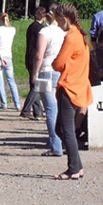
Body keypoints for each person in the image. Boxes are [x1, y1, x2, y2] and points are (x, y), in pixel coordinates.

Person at [51, 3, 92, 180]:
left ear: (65, 20)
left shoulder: (71, 37)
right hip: (79, 86)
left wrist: (56, 63)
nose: (58, 25)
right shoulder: (82, 35)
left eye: (59, 22)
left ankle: (73, 168)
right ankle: (77, 165)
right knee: (61, 129)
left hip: (68, 87)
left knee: (65, 130)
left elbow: (58, 64)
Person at [32, 8, 66, 157]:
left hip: (46, 70)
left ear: (47, 17)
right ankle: (59, 141)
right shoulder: (64, 33)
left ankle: (56, 145)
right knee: (58, 108)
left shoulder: (44, 32)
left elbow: (39, 55)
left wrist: (34, 74)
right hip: (60, 71)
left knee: (51, 110)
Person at [20, 6, 48, 118]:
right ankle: (26, 110)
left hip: (28, 58)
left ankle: (38, 112)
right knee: (37, 86)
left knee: (33, 86)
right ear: (43, 17)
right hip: (35, 59)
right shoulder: (41, 29)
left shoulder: (31, 27)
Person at [0, 14, 22, 110]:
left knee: (0, 81)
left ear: (0, 20)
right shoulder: (12, 30)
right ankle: (17, 104)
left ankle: (4, 104)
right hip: (8, 57)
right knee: (11, 81)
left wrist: (0, 55)